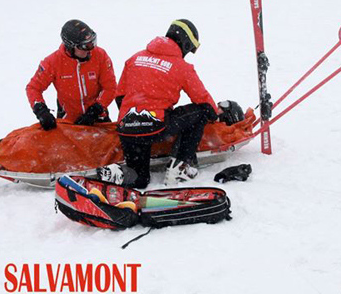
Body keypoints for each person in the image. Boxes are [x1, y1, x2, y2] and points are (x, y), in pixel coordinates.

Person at [109, 19, 242, 188]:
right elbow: (204, 101)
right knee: (200, 112)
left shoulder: (135, 58)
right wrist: (216, 117)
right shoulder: (181, 66)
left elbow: (120, 97)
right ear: (185, 44)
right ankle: (180, 166)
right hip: (155, 126)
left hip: (127, 129)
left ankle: (112, 174)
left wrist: (136, 123)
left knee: (140, 180)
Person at [26, 19, 117, 129]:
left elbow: (110, 87)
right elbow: (33, 88)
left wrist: (95, 110)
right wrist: (41, 111)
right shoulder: (53, 62)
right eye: (84, 46)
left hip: (97, 117)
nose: (89, 49)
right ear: (70, 46)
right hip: (68, 122)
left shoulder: (100, 55)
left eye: (92, 43)